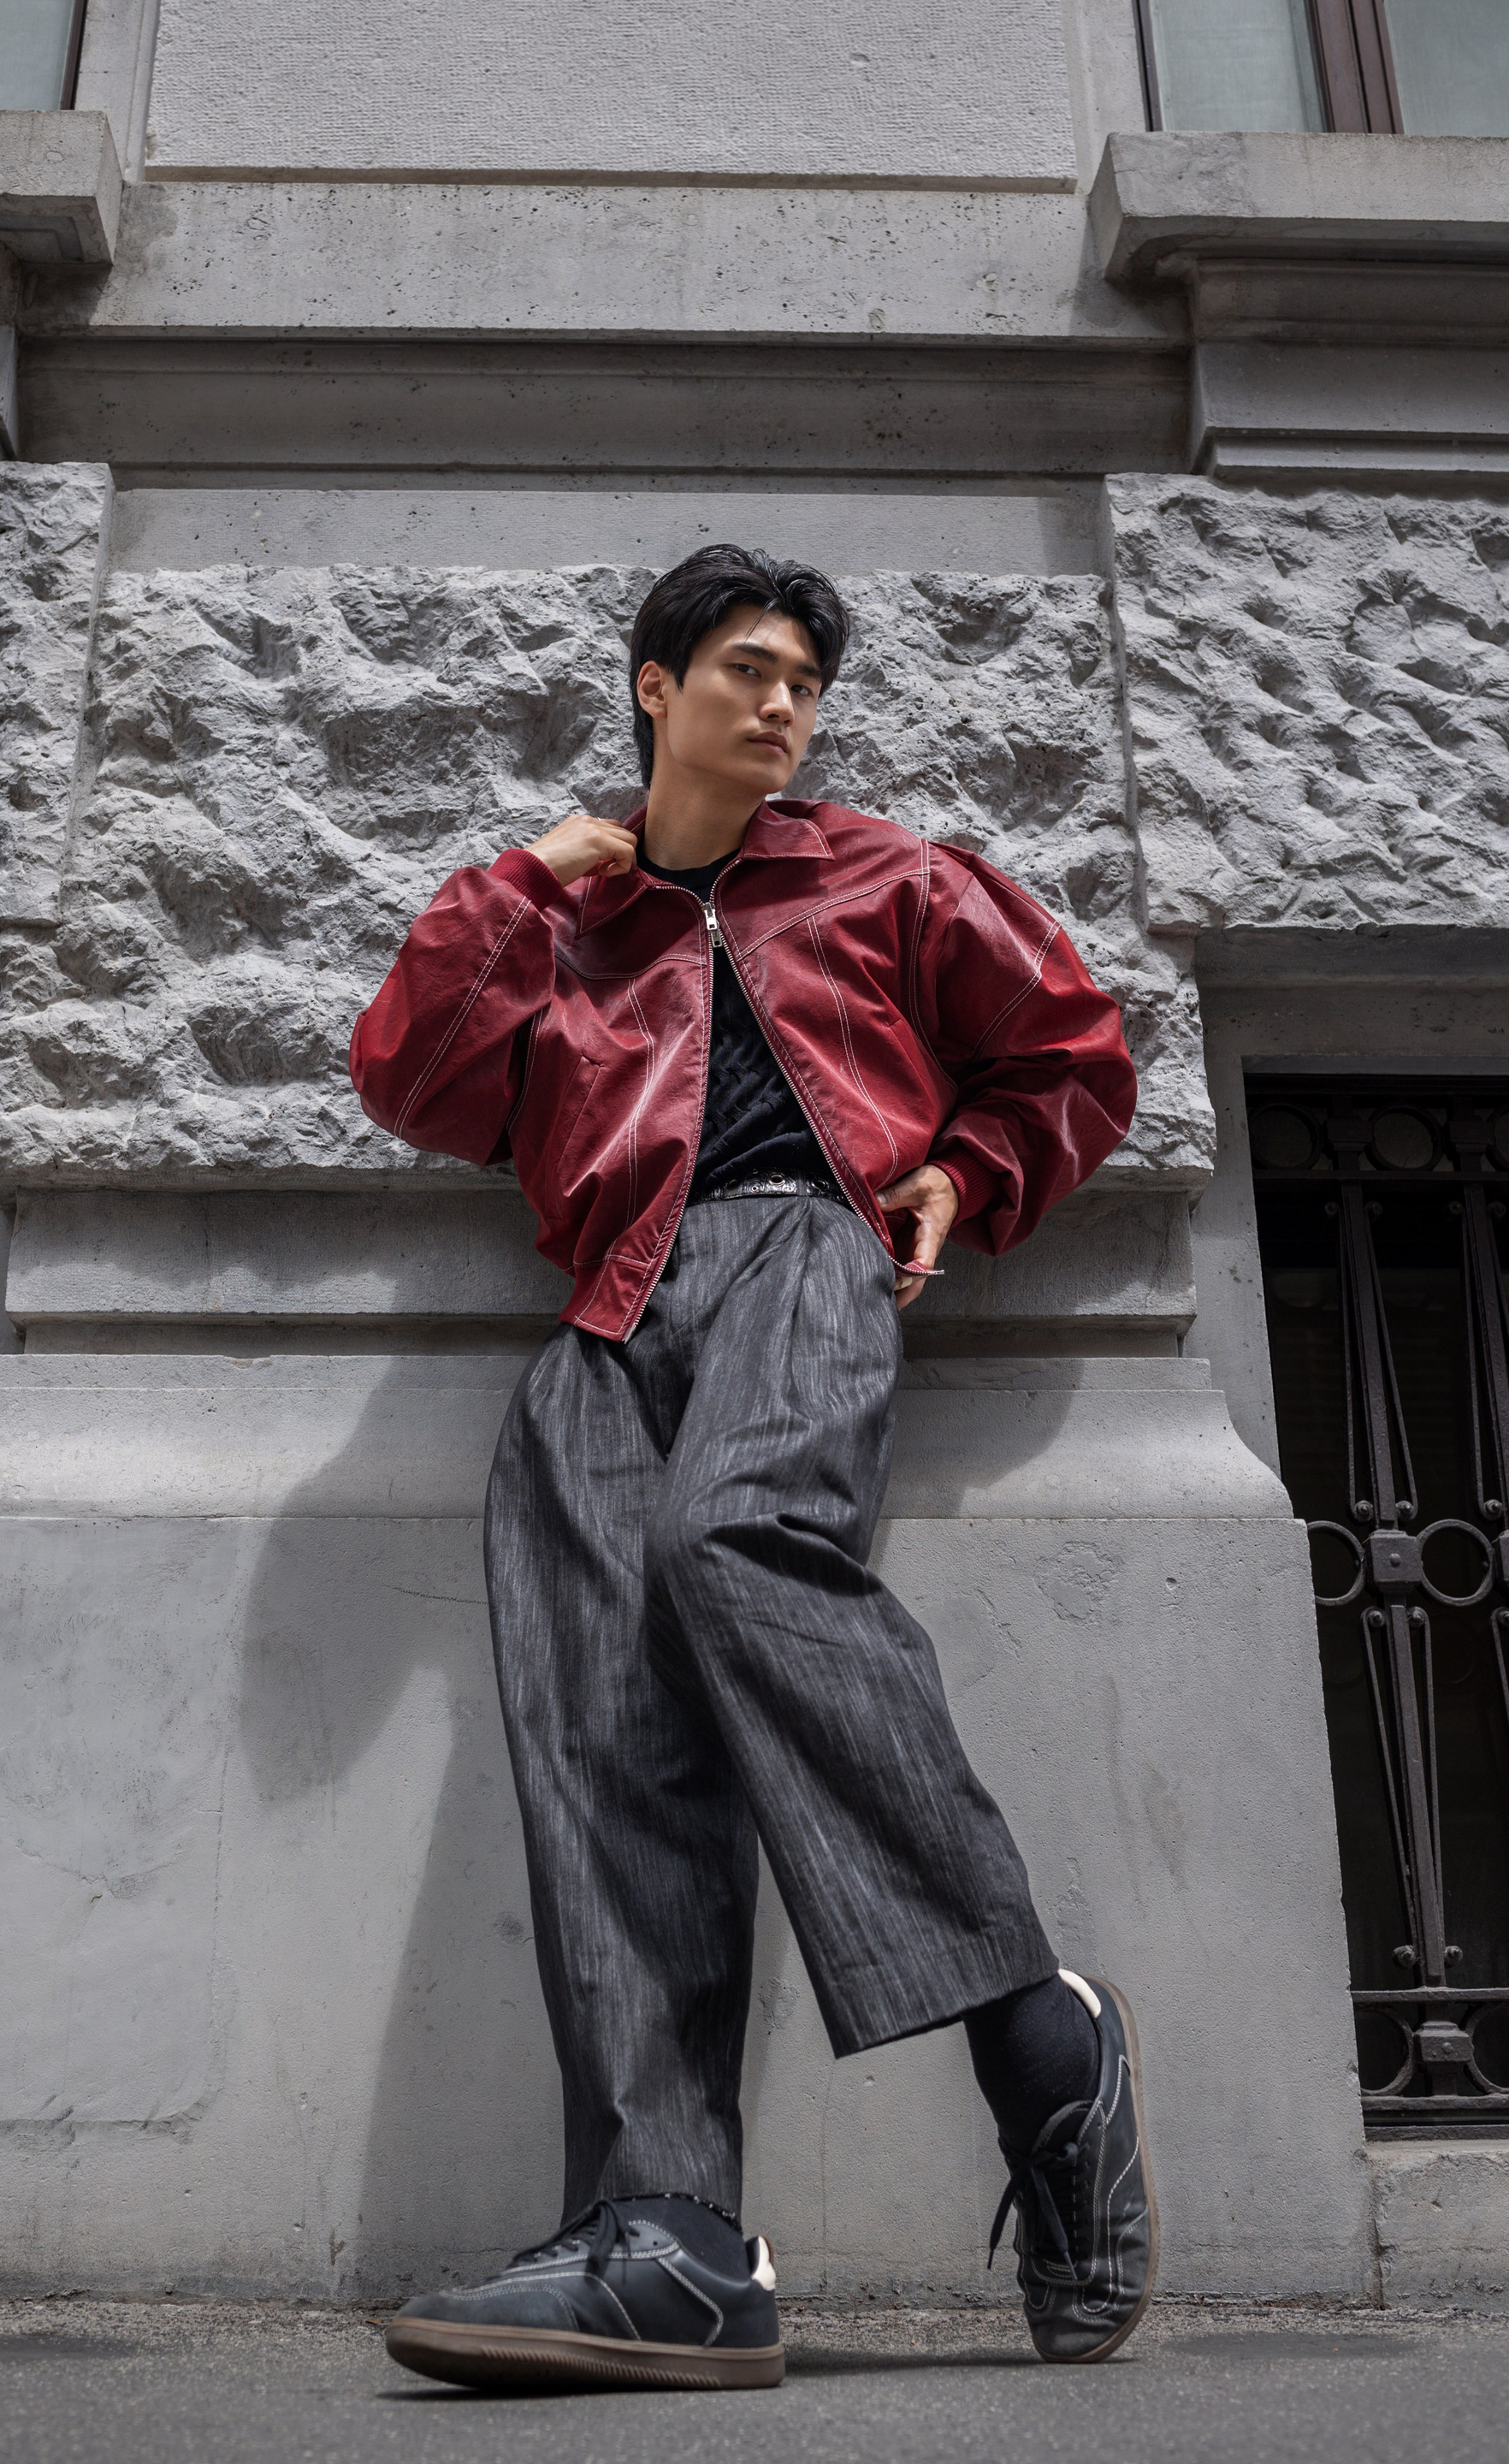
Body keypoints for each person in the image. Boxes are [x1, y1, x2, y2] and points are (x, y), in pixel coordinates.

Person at [351, 545, 1155, 2392]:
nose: (783, 704)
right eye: (746, 669)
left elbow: (1072, 1050)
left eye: (803, 680)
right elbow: (410, 1079)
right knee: (598, 1730)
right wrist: (518, 885)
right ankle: (674, 2237)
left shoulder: (889, 876)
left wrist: (968, 1170)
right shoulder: (564, 919)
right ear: (658, 685)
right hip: (601, 1313)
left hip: (802, 1244)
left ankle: (1034, 2031)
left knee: (739, 1541)